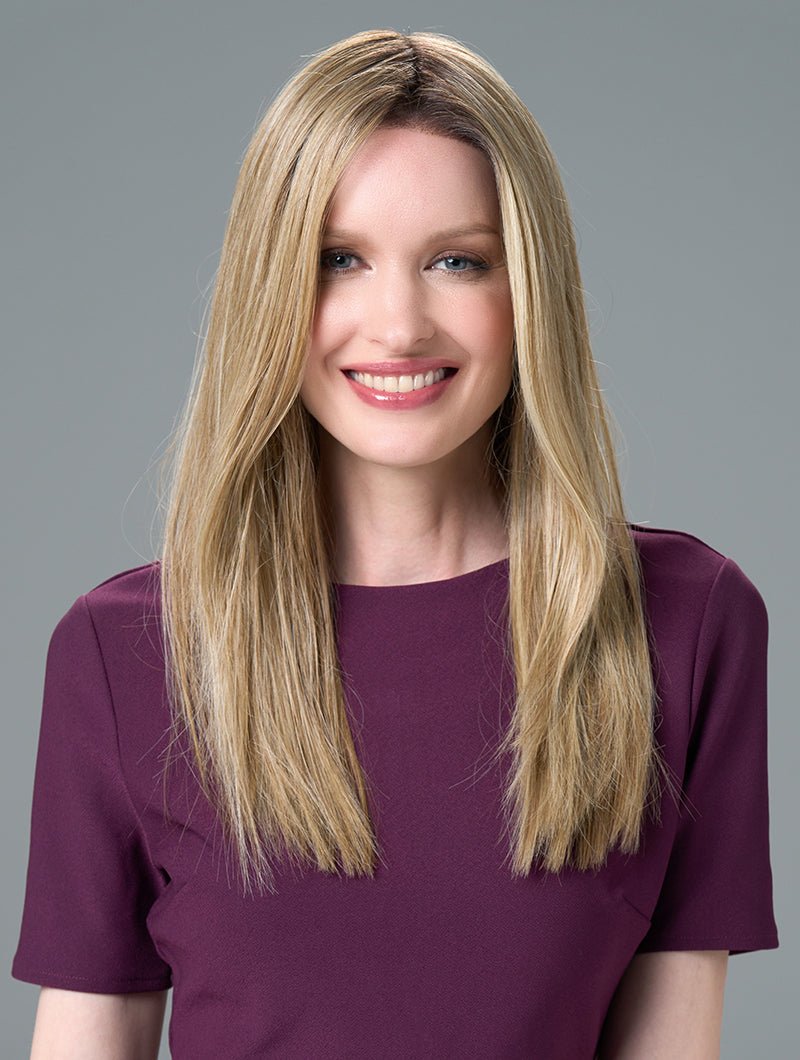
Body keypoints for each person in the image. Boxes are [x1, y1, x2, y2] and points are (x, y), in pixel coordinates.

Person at [11, 27, 778, 1059]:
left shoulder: (684, 624)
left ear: (529, 291)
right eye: (339, 260)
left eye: (457, 261)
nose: (399, 323)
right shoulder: (124, 653)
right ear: (269, 289)